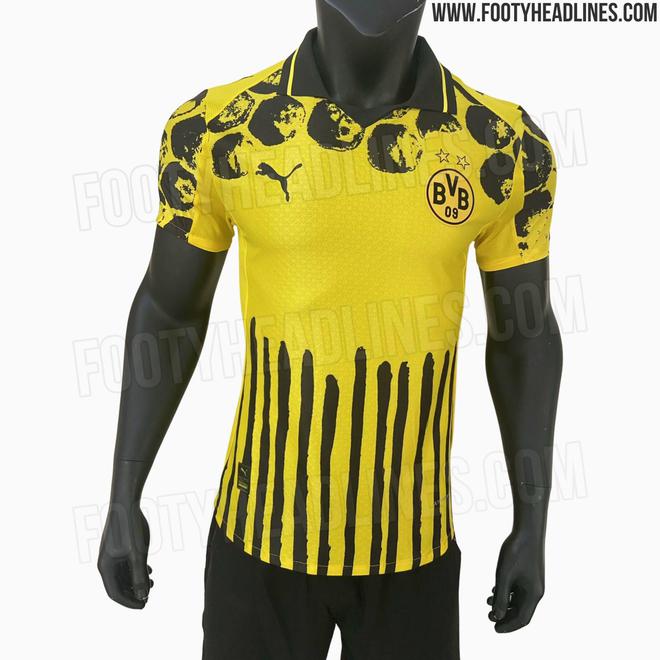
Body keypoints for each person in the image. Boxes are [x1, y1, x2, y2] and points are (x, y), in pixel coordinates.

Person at [98, 1, 562, 658]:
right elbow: (170, 313)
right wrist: (123, 494)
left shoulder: (504, 146)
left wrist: (533, 523)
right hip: (258, 544)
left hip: (414, 552)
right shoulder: (217, 129)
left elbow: (525, 337)